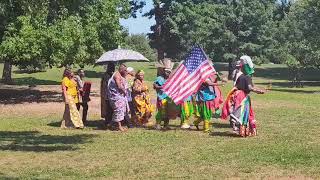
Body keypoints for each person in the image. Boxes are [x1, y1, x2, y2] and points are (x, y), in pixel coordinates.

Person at [221, 55, 265, 137]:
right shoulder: (247, 77)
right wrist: (258, 91)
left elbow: (251, 86)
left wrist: (259, 90)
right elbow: (250, 87)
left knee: (239, 113)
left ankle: (240, 130)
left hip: (237, 95)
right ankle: (241, 131)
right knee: (242, 113)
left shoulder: (242, 76)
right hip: (241, 96)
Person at [154, 58, 179, 130]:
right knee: (161, 111)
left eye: (169, 72)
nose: (168, 73)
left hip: (168, 98)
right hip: (161, 97)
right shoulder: (160, 78)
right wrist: (163, 86)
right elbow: (155, 86)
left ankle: (166, 125)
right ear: (163, 71)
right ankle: (158, 124)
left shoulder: (170, 80)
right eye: (166, 72)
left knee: (168, 112)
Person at [107, 64, 129, 132]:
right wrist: (124, 91)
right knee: (118, 110)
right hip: (115, 96)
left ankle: (110, 124)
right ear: (121, 69)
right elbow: (119, 86)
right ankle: (119, 127)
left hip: (119, 96)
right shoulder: (117, 75)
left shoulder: (120, 75)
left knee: (120, 110)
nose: (126, 71)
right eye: (125, 70)